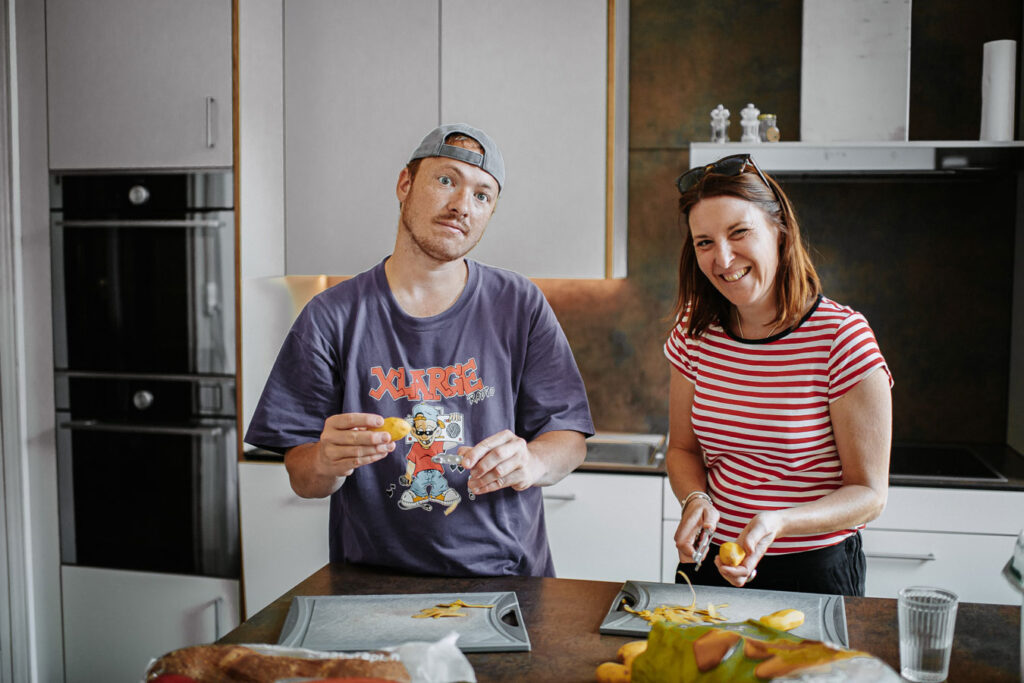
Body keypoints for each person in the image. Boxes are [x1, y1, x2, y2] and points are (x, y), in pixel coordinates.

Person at [245, 123, 594, 577]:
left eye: (482, 195)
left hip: (506, 580)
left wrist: (533, 460)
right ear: (405, 185)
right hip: (372, 582)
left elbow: (569, 439)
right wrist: (326, 462)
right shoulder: (331, 316)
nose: (461, 206)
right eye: (446, 180)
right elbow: (303, 475)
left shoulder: (519, 303)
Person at [664, 153, 892, 596]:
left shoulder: (842, 338)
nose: (723, 258)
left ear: (780, 232)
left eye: (739, 232)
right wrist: (697, 498)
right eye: (704, 242)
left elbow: (868, 492)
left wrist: (778, 522)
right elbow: (682, 450)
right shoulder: (694, 332)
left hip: (813, 570)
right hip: (712, 561)